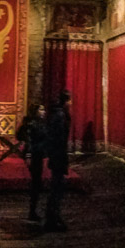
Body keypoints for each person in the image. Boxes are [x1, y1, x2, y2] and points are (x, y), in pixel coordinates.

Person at [45, 90, 72, 232]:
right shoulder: (60, 116)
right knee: (57, 188)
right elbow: (59, 140)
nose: (71, 104)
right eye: (69, 101)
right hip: (58, 156)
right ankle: (52, 218)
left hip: (56, 155)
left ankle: (53, 216)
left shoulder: (57, 115)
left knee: (56, 187)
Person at [17, 103, 47, 222]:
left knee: (37, 181)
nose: (43, 111)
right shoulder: (32, 124)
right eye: (41, 109)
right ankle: (32, 210)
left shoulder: (39, 123)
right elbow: (29, 140)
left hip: (38, 154)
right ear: (35, 111)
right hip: (34, 155)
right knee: (36, 182)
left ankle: (33, 209)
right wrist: (28, 155)